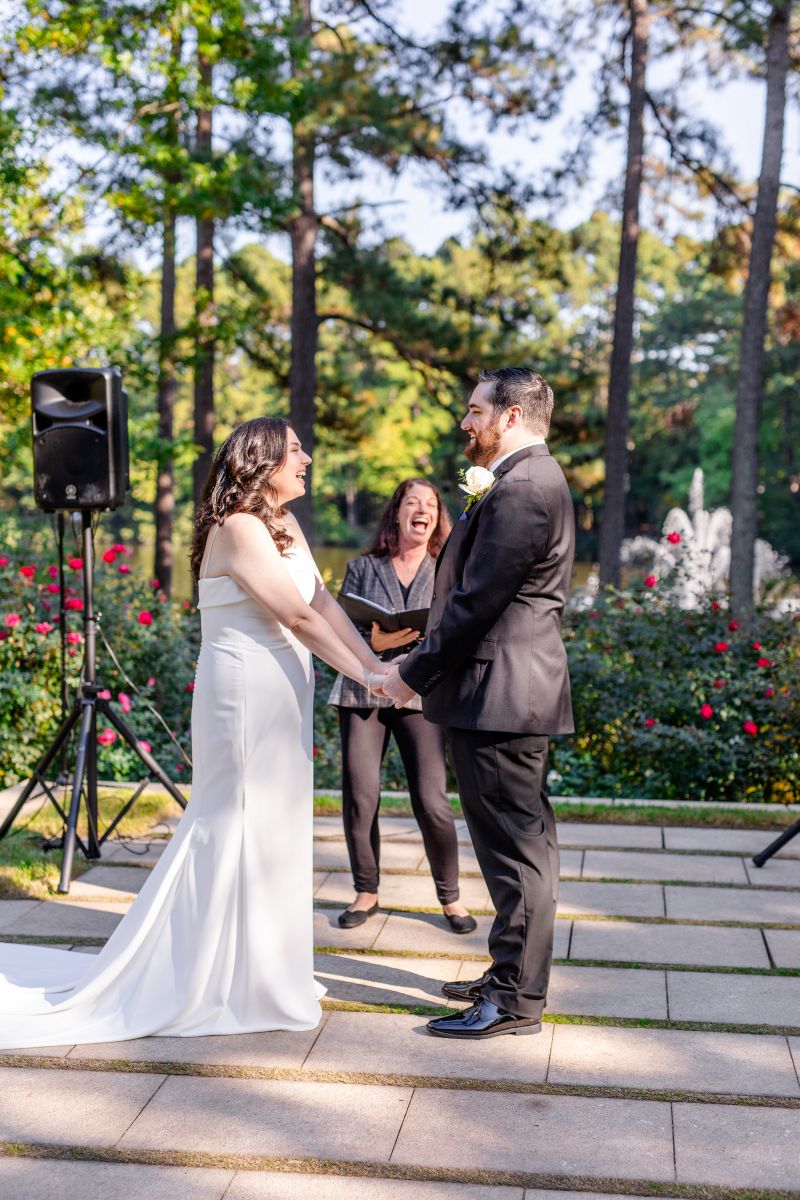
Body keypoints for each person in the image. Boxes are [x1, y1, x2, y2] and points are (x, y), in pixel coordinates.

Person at [0, 417, 388, 1047]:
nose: (308, 458)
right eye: (295, 450)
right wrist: (372, 683)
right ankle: (210, 974)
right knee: (232, 819)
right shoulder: (238, 528)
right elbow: (289, 613)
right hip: (244, 693)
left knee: (274, 825)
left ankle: (264, 969)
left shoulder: (284, 526)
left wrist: (377, 666)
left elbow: (320, 604)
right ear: (260, 461)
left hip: (283, 690)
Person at [381, 368, 575, 1040]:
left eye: (474, 411)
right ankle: (509, 976)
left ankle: (515, 999)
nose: (466, 423)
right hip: (505, 693)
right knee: (519, 849)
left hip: (502, 696)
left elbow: (475, 604)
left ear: (512, 415)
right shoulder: (525, 480)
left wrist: (412, 673)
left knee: (516, 854)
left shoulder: (523, 488)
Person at [329, 479, 477, 935]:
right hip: (363, 689)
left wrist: (405, 645)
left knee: (432, 799)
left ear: (437, 518)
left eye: (430, 504)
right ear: (396, 513)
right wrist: (373, 643)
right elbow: (339, 627)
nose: (422, 509)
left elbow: (456, 631)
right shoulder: (361, 567)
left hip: (421, 693)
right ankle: (366, 891)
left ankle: (450, 899)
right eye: (412, 501)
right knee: (360, 795)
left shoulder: (448, 569)